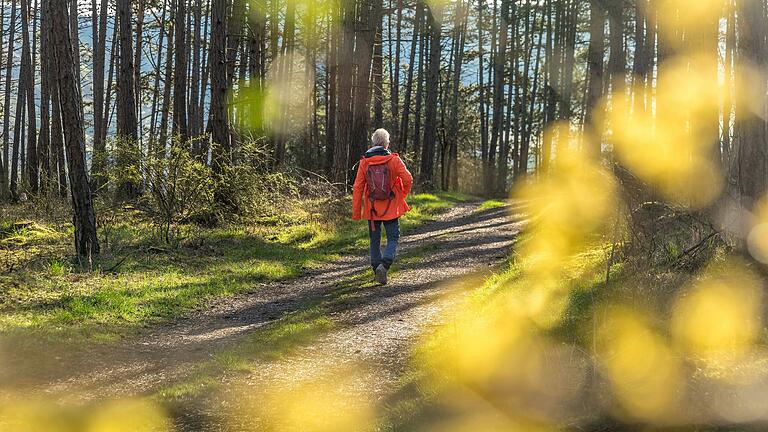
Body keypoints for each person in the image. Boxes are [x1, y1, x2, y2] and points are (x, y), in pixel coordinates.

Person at [352, 128, 413, 285]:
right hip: (391, 208)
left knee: (374, 238)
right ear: (386, 143)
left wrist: (357, 212)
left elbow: (358, 187)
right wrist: (401, 195)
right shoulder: (394, 160)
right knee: (393, 237)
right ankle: (384, 266)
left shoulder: (364, 162)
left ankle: (376, 269)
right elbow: (408, 179)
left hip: (372, 210)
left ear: (373, 143)